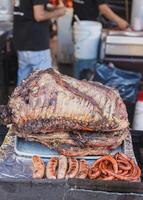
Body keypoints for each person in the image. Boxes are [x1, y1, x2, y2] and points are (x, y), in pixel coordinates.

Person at [13, 0, 65, 85]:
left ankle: (20, 98)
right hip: (36, 43)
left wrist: (52, 9)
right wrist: (58, 12)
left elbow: (27, 8)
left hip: (22, 41)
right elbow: (39, 15)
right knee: (44, 83)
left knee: (23, 83)